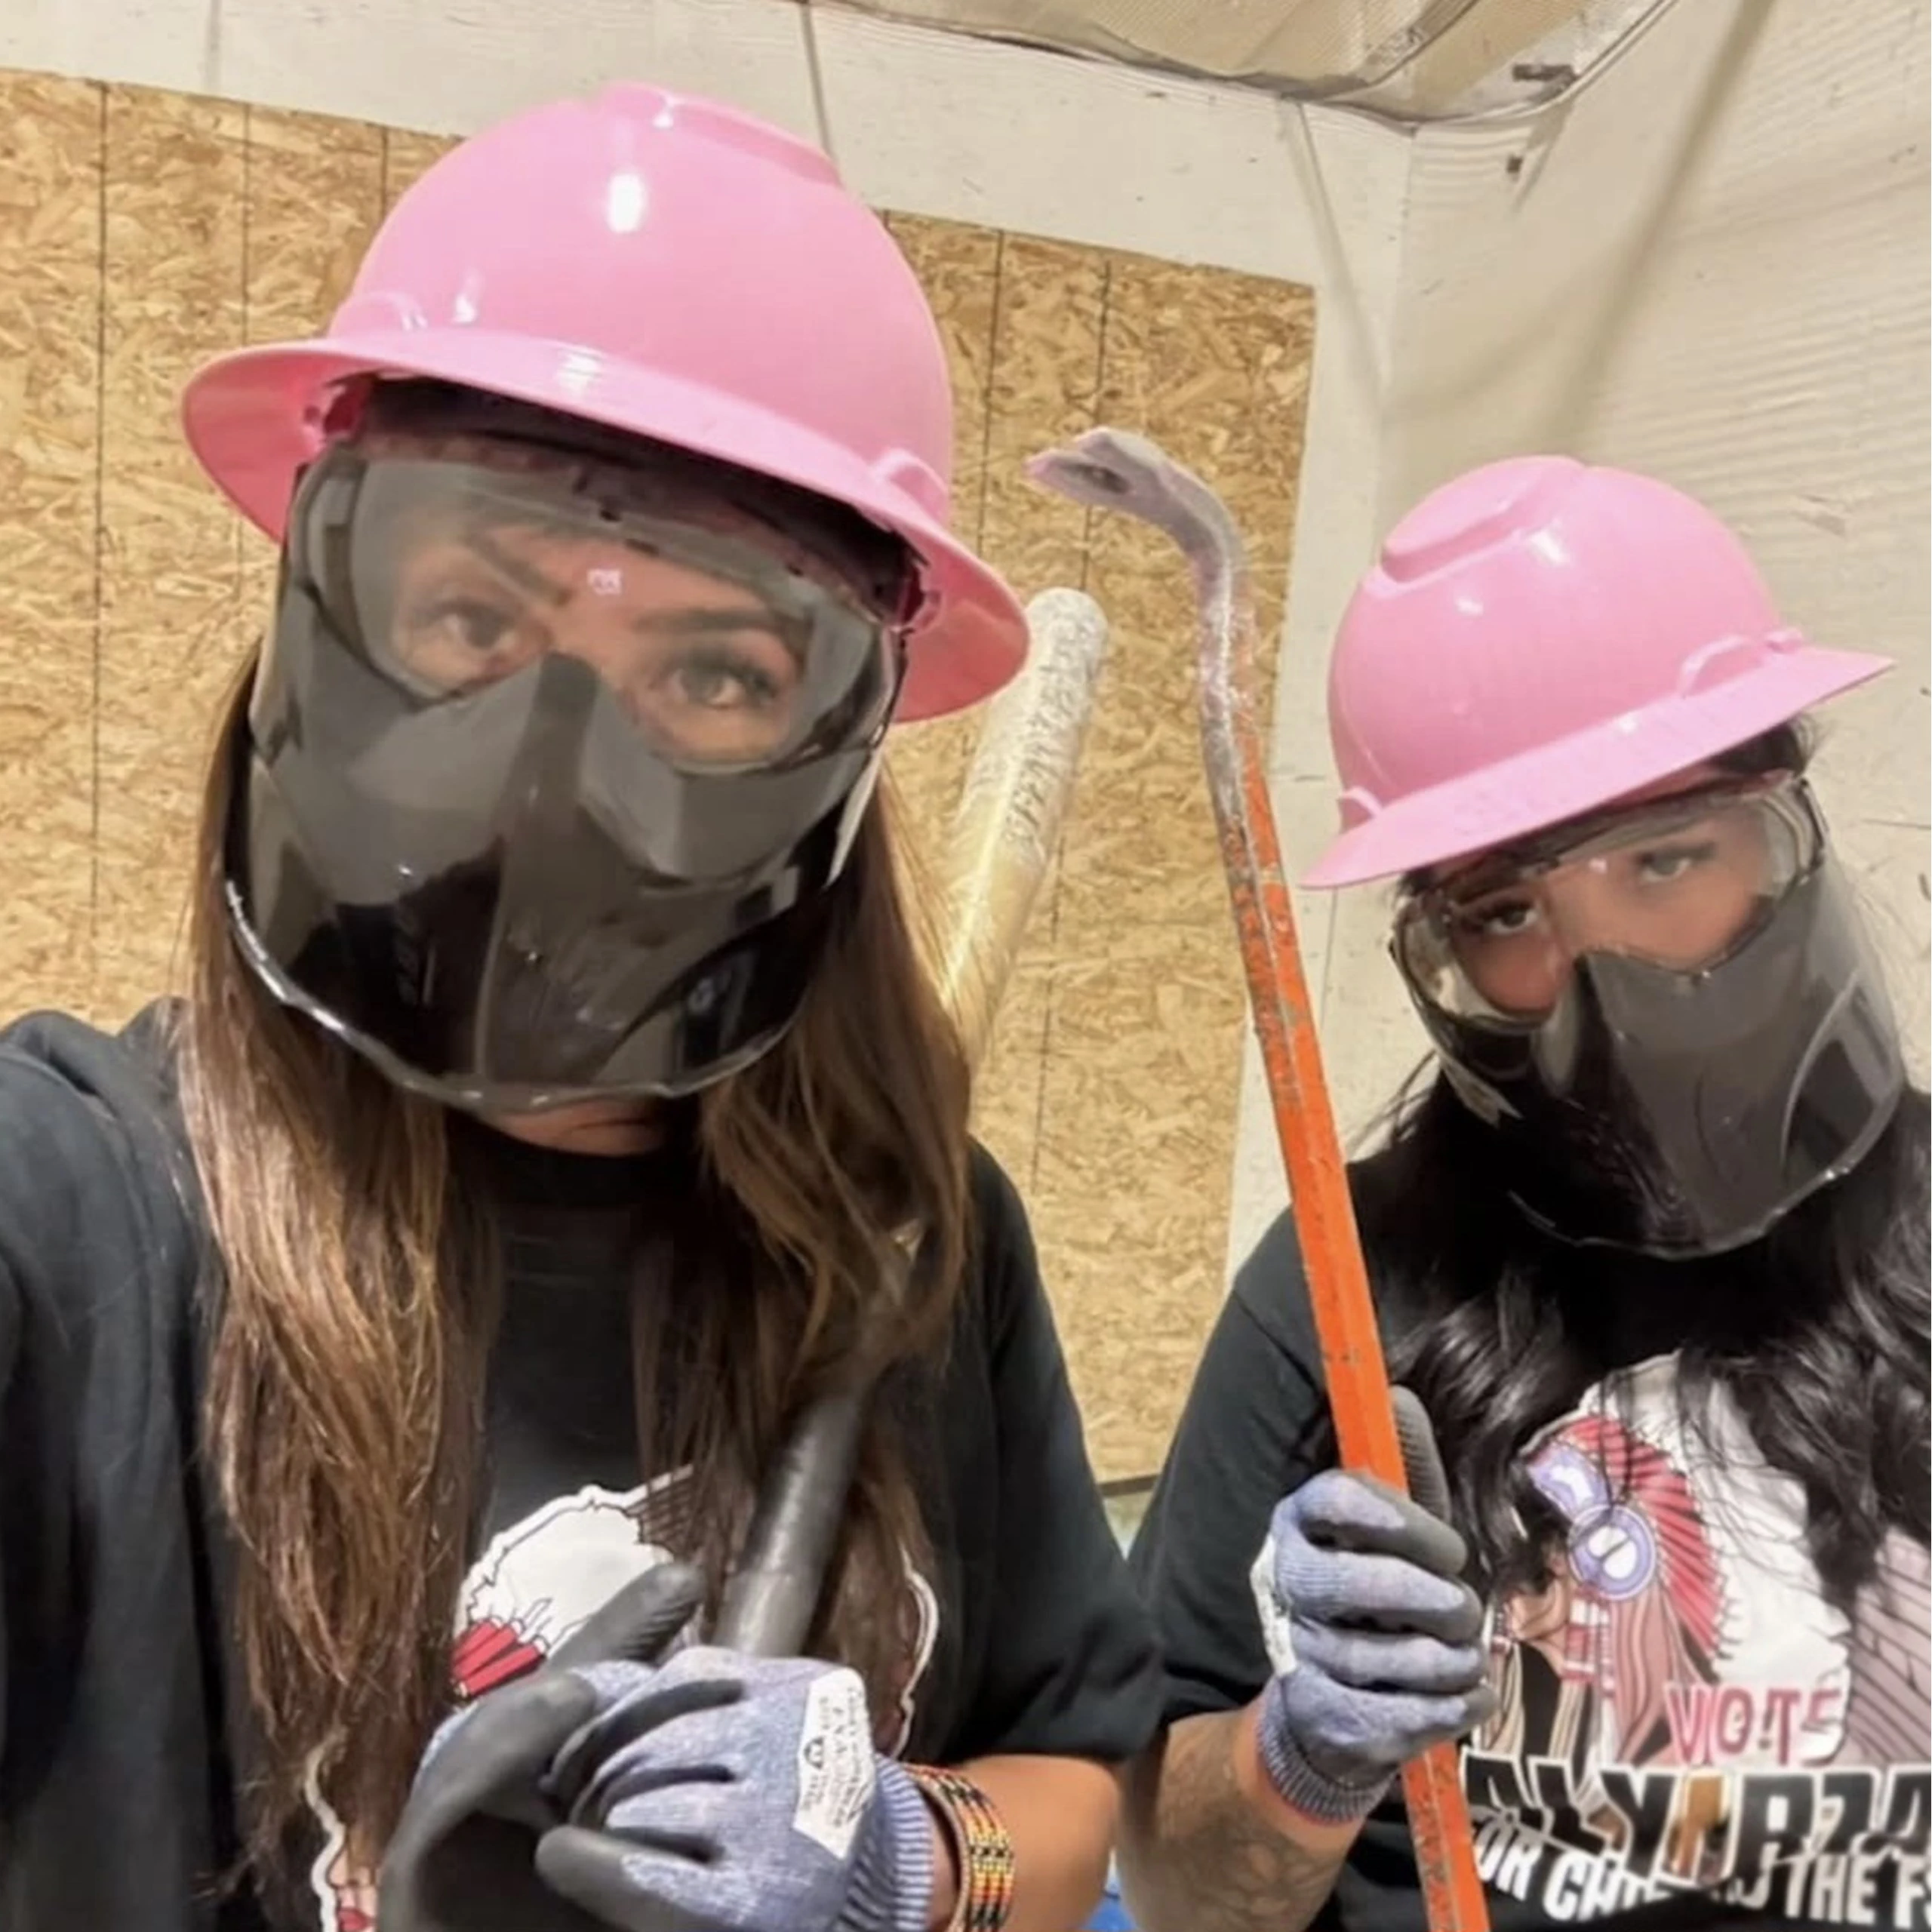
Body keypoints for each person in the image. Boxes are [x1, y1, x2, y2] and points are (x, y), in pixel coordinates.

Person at [0, 85, 1162, 1932]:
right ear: (325, 612)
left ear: (833, 754)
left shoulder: (915, 1239)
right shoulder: (78, 1219)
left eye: (713, 671)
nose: (553, 763)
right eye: (472, 618)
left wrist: (905, 1851)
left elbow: (1076, 1792)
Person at [1121, 455, 1929, 1932]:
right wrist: (1299, 1760)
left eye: (1664, 859)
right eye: (1504, 910)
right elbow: (1174, 1890)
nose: (1597, 978)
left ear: (1784, 835)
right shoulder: (1339, 1289)